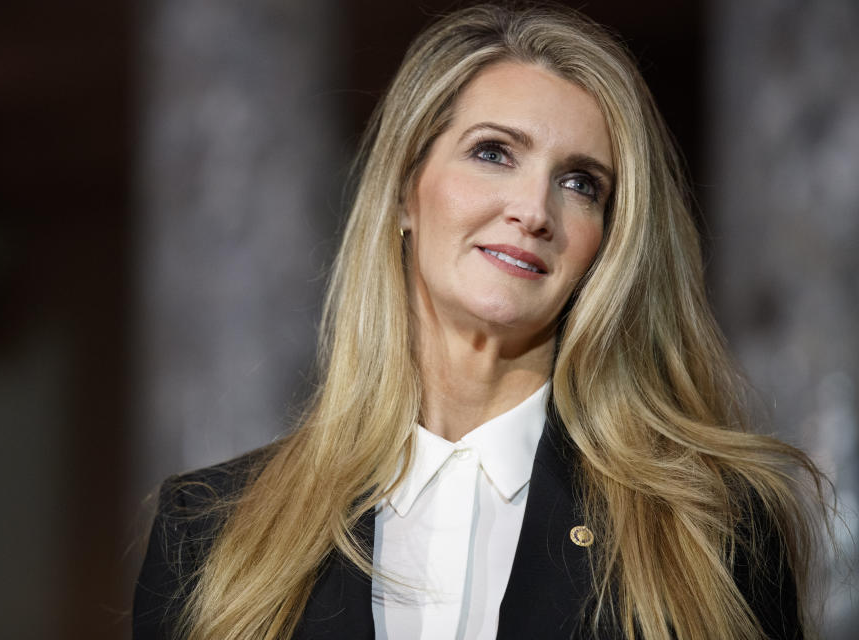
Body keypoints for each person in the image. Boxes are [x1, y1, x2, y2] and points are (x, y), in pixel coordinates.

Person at [133, 5, 832, 639]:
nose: (534, 210)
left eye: (580, 183)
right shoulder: (209, 530)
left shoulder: (712, 527)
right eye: (494, 152)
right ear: (406, 189)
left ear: (608, 244)